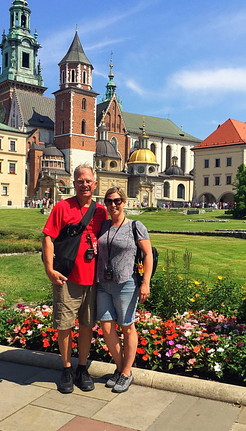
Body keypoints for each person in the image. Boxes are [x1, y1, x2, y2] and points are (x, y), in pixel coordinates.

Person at [42, 164, 107, 394]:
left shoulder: (101, 211)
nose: (84, 184)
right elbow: (48, 238)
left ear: (95, 184)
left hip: (93, 279)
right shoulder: (62, 207)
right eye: (80, 181)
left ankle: (82, 367)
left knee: (87, 325)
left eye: (88, 181)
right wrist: (49, 269)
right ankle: (67, 368)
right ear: (74, 183)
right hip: (67, 277)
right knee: (65, 325)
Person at [97, 186, 153, 393]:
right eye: (109, 201)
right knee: (107, 328)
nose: (113, 205)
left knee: (127, 327)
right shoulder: (103, 226)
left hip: (126, 283)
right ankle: (120, 368)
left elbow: (147, 255)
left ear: (125, 202)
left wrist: (145, 282)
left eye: (117, 201)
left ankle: (127, 372)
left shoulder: (135, 226)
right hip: (103, 283)